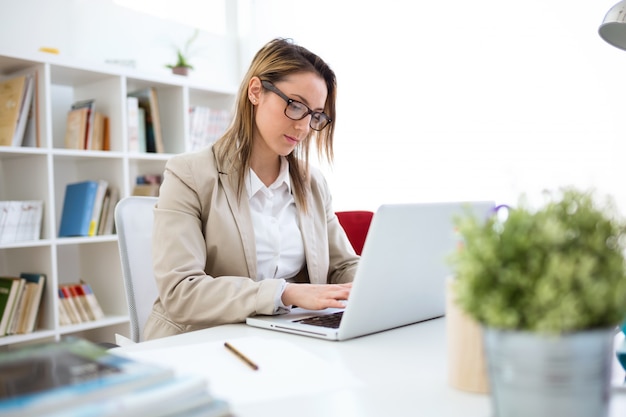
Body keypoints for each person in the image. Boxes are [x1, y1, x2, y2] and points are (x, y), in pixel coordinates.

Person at [143, 38, 360, 340]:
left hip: (279, 339)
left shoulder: (313, 184)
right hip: (201, 341)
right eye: (296, 106)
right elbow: (181, 291)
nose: (304, 126)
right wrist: (285, 293)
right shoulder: (188, 174)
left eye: (315, 115)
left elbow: (343, 266)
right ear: (256, 91)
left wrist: (378, 283)